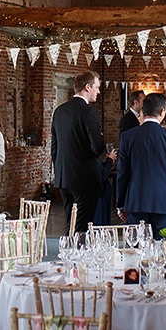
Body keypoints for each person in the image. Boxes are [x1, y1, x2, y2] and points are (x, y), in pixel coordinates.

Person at [51, 71, 115, 234]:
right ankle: (77, 257)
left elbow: (54, 148)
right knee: (83, 226)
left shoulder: (59, 111)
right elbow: (97, 147)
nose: (99, 92)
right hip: (85, 179)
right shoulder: (89, 112)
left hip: (64, 177)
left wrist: (59, 170)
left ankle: (68, 254)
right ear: (87, 87)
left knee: (70, 223)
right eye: (97, 88)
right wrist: (106, 155)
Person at [115, 93, 166, 237]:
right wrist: (164, 170)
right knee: (161, 248)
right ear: (162, 111)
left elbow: (122, 173)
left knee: (137, 248)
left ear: (143, 110)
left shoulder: (128, 136)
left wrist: (120, 203)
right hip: (162, 199)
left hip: (136, 199)